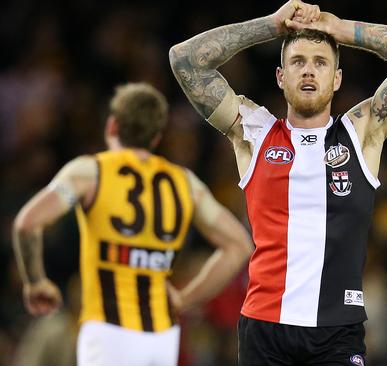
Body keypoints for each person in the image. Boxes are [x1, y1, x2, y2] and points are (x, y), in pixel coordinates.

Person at [169, 1, 387, 364]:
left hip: (337, 333)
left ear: (337, 78)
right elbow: (184, 59)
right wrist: (270, 26)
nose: (309, 72)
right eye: (298, 62)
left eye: (321, 62)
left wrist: (345, 30)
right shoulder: (254, 131)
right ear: (281, 76)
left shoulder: (362, 133)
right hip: (265, 329)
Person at [12, 82, 253, 366]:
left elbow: (27, 223)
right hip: (161, 335)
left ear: (112, 126)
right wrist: (185, 300)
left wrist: (35, 282)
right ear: (156, 137)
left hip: (108, 329)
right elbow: (239, 246)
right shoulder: (184, 182)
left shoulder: (90, 171)